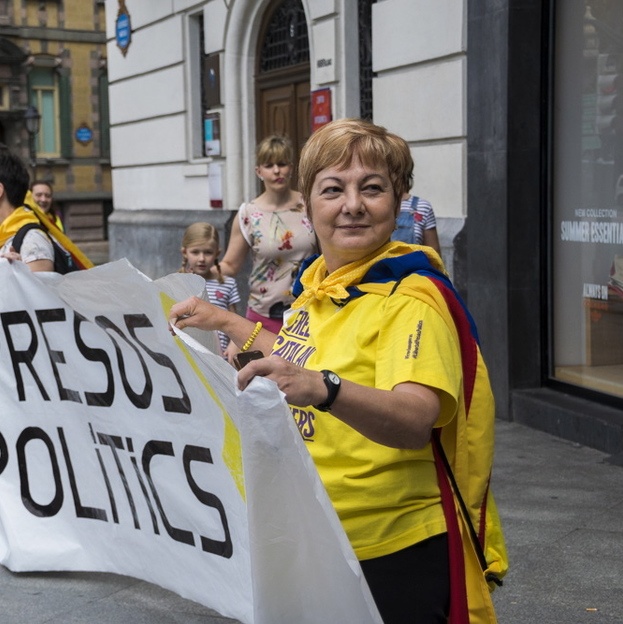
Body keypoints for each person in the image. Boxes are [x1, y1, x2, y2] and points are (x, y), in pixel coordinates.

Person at [169, 118, 506, 624]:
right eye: (333, 189)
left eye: (372, 188)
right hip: (317, 535)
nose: (352, 205)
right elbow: (296, 359)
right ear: (308, 205)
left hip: (390, 548)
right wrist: (224, 321)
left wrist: (324, 389)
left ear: (398, 202)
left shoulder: (410, 299)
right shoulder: (320, 285)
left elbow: (416, 418)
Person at [219, 135, 317, 355]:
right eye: (269, 165)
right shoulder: (248, 214)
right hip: (262, 316)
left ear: (291, 168)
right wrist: (199, 269)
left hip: (309, 313)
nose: (276, 171)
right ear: (258, 171)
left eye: (282, 164)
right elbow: (231, 265)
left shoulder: (310, 205)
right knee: (262, 386)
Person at [180, 222, 240, 356]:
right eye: (195, 252)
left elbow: (234, 318)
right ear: (185, 252)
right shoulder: (178, 283)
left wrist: (234, 344)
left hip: (220, 356)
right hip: (190, 354)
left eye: (208, 252)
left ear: (217, 253)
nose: (202, 259)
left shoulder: (228, 284)